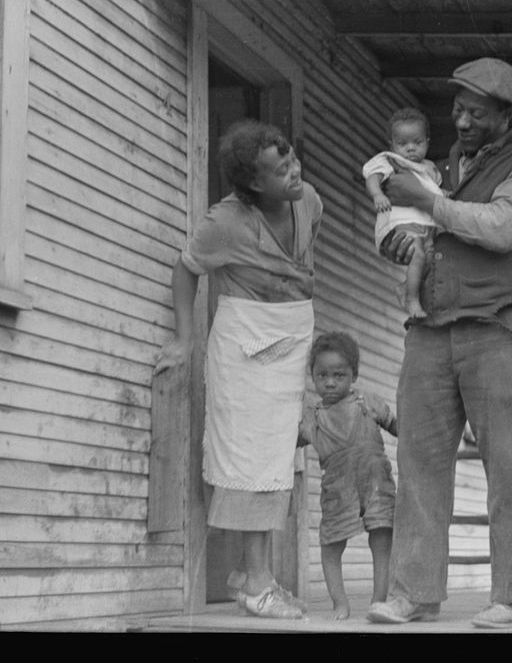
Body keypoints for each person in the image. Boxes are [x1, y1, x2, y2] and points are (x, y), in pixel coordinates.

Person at [366, 58, 512, 629]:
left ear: (506, 114)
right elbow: (428, 224)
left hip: (496, 327)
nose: (463, 120)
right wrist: (400, 241)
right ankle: (414, 594)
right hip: (430, 329)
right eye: (457, 109)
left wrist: (428, 203)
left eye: (477, 112)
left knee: (505, 464)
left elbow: (502, 228)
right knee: (418, 460)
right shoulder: (443, 162)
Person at [154, 119, 322, 619]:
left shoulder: (308, 200)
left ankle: (255, 575)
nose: (294, 172)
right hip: (246, 343)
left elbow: (304, 256)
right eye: (280, 169)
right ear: (253, 184)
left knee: (280, 460)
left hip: (291, 338)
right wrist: (185, 340)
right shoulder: (225, 222)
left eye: (292, 159)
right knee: (252, 461)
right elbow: (185, 270)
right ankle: (257, 584)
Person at [297, 331, 398, 619]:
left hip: (375, 484)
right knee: (331, 545)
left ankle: (379, 600)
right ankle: (339, 603)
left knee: (381, 539)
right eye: (322, 375)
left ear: (354, 374)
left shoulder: (370, 403)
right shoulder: (312, 417)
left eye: (339, 375)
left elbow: (399, 427)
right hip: (337, 492)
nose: (330, 382)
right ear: (312, 375)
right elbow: (288, 440)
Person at [363, 107, 447, 319]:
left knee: (430, 260)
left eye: (417, 143)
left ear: (427, 142)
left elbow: (436, 192)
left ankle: (405, 288)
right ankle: (412, 300)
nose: (410, 149)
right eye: (402, 144)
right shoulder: (391, 160)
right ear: (392, 145)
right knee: (419, 254)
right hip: (400, 223)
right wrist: (377, 195)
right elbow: (373, 176)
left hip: (424, 226)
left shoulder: (430, 168)